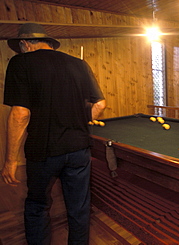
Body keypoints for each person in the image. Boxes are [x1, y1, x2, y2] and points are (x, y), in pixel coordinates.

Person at [1, 23, 106, 245]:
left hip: (43, 153)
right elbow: (100, 105)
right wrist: (79, 119)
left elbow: (20, 113)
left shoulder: (20, 62)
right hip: (79, 150)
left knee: (38, 206)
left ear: (24, 44)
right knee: (79, 208)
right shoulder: (79, 64)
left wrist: (10, 160)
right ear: (49, 43)